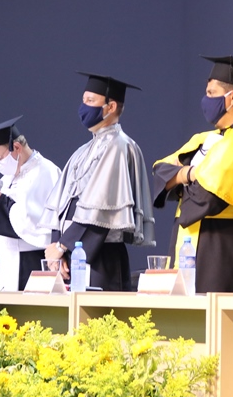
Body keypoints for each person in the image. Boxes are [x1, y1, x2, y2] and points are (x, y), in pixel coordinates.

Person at [153, 56, 233, 293]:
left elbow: (205, 197)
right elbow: (160, 171)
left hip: (223, 246)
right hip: (191, 241)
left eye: (211, 93)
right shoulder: (205, 138)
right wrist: (190, 174)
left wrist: (180, 179)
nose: (206, 99)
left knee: (216, 311)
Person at [41, 73, 155, 291]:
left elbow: (101, 207)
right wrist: (58, 250)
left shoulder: (119, 146)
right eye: (83, 100)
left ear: (110, 107)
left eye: (90, 101)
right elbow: (63, 203)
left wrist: (63, 246)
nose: (83, 106)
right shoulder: (83, 151)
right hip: (72, 255)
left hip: (101, 255)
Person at [0, 116, 61, 291]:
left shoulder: (46, 172)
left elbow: (35, 223)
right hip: (2, 262)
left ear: (16, 147)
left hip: (29, 261)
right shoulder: (7, 178)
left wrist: (2, 203)